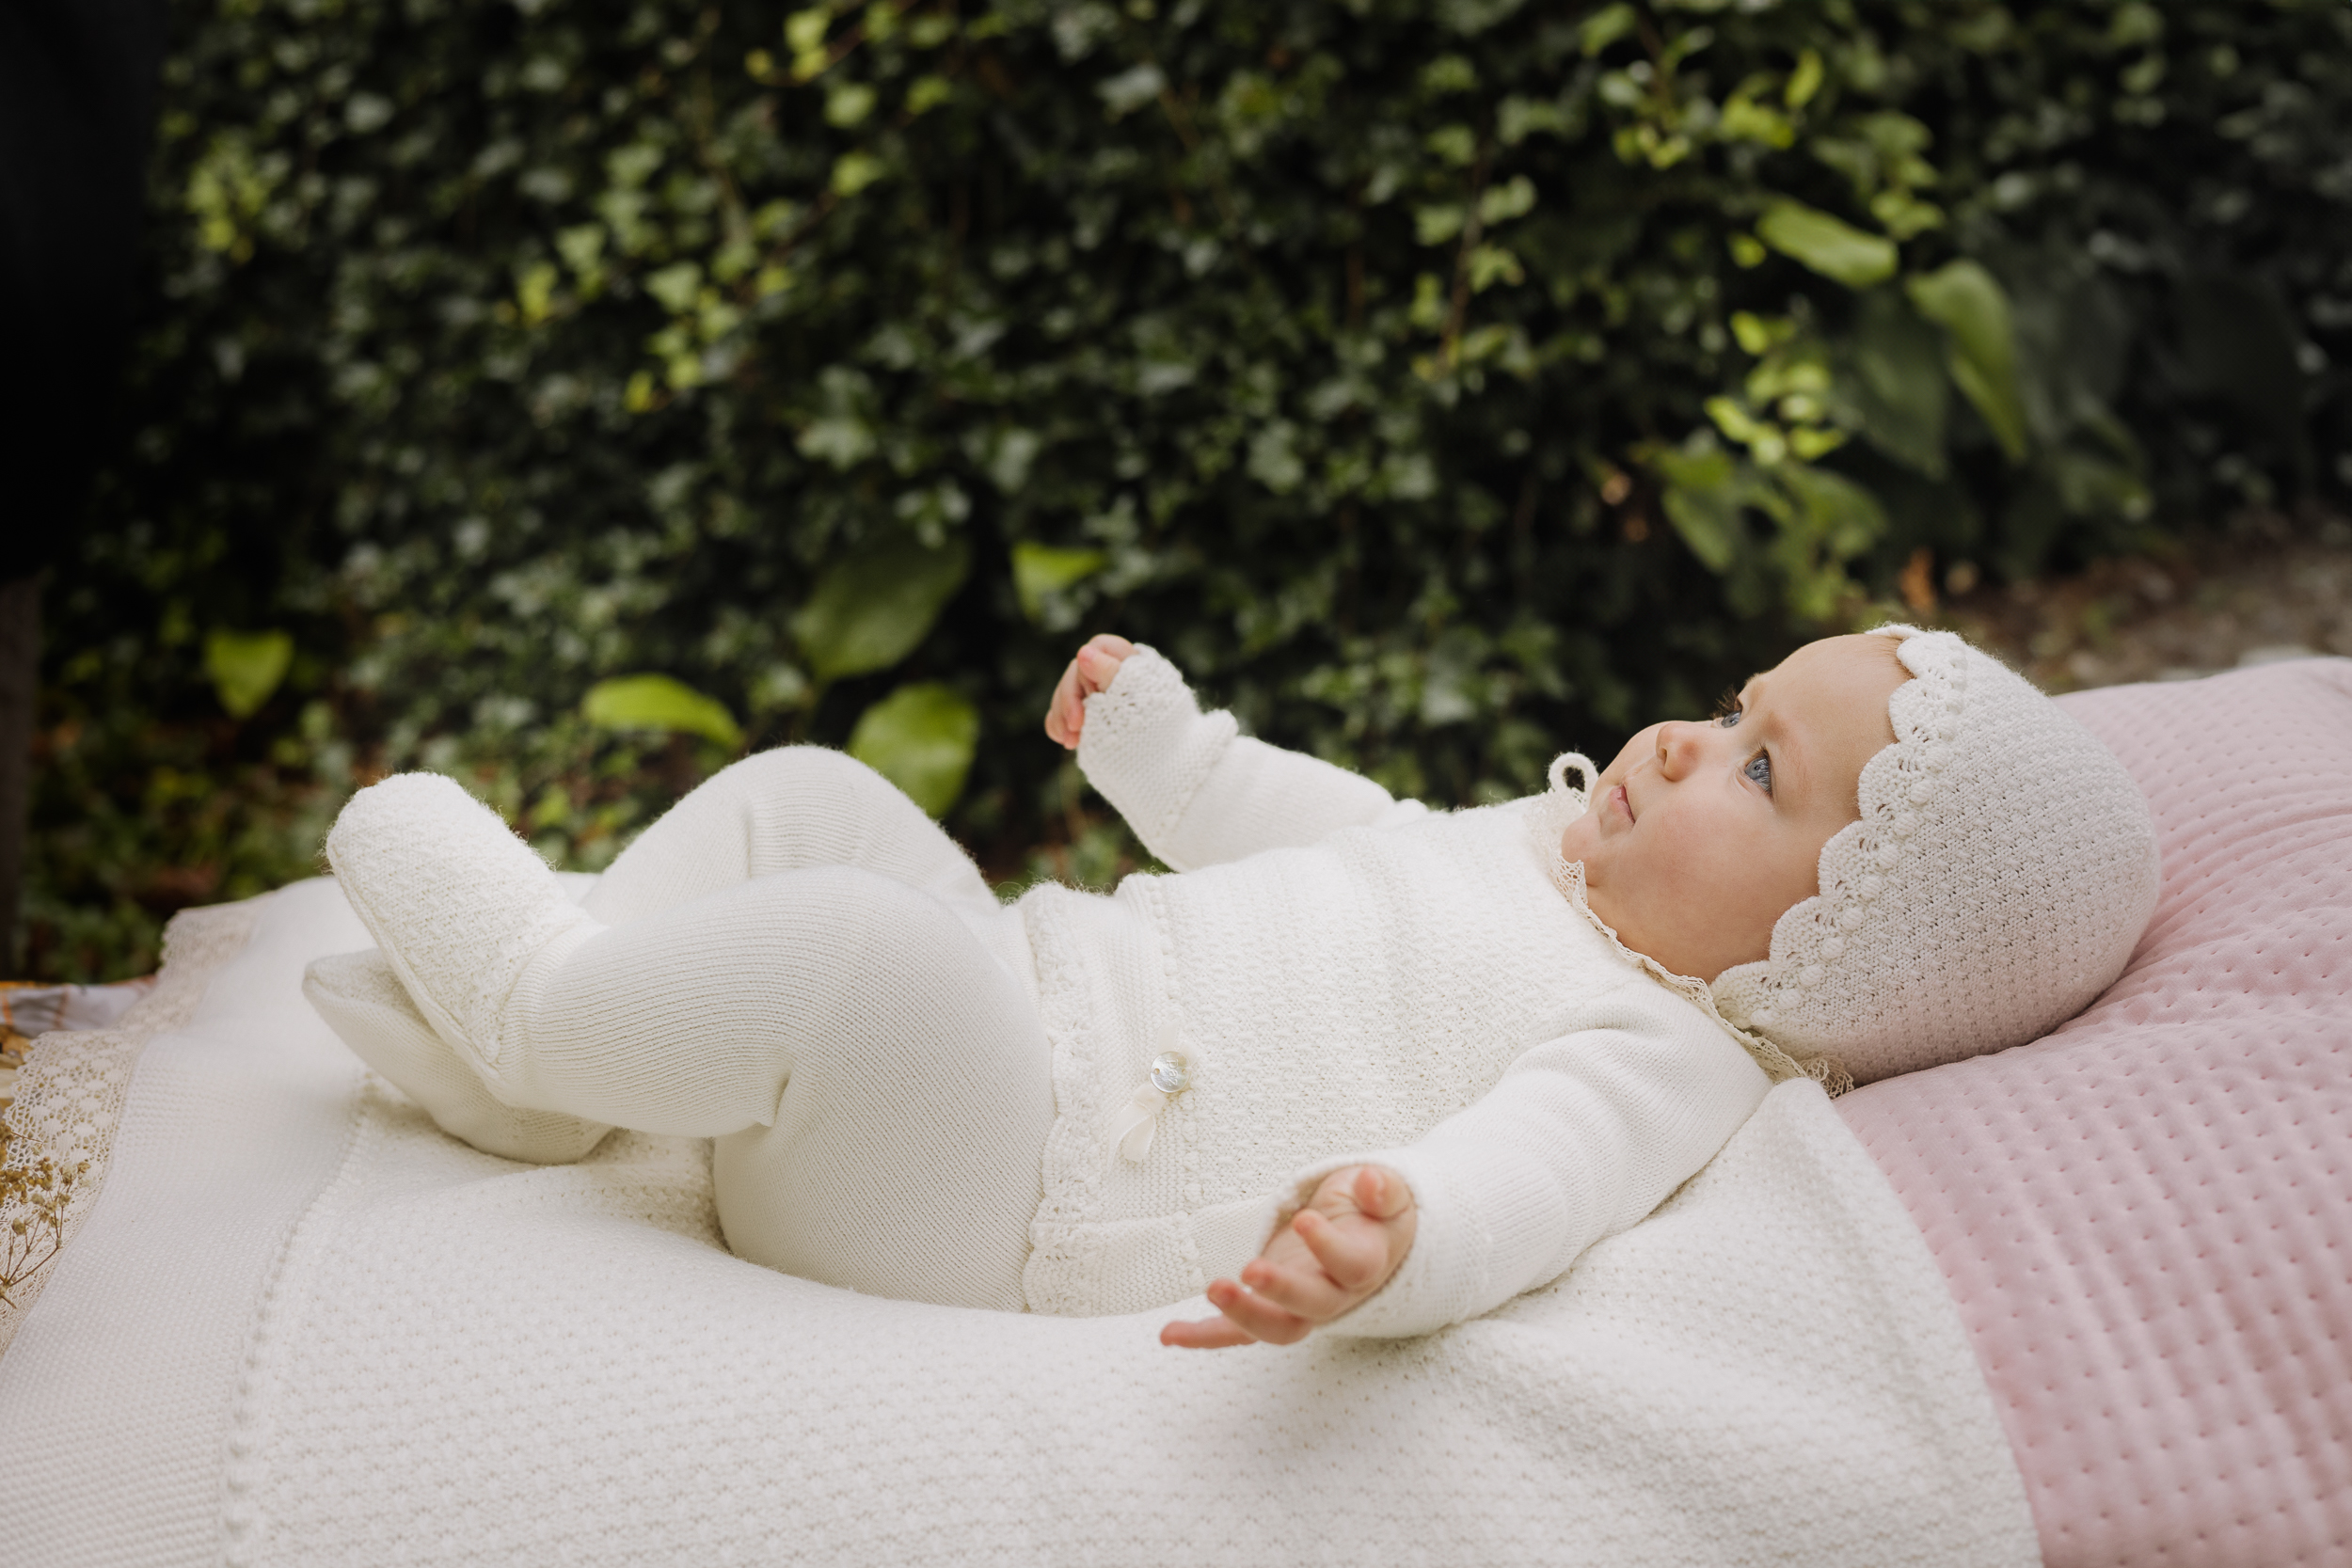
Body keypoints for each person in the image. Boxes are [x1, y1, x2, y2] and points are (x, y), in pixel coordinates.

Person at [305, 625, 2160, 1347]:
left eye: (1758, 778)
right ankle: (569, 1066)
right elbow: (1298, 825)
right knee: (814, 807)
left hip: (1002, 1200)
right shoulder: (1522, 847)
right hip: (1011, 1012)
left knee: (855, 964)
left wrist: (1384, 1236)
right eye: (1734, 706)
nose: (1684, 741)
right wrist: (1161, 746)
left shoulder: (1657, 1047)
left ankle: (538, 997)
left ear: (1818, 956)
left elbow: (1530, 1188)